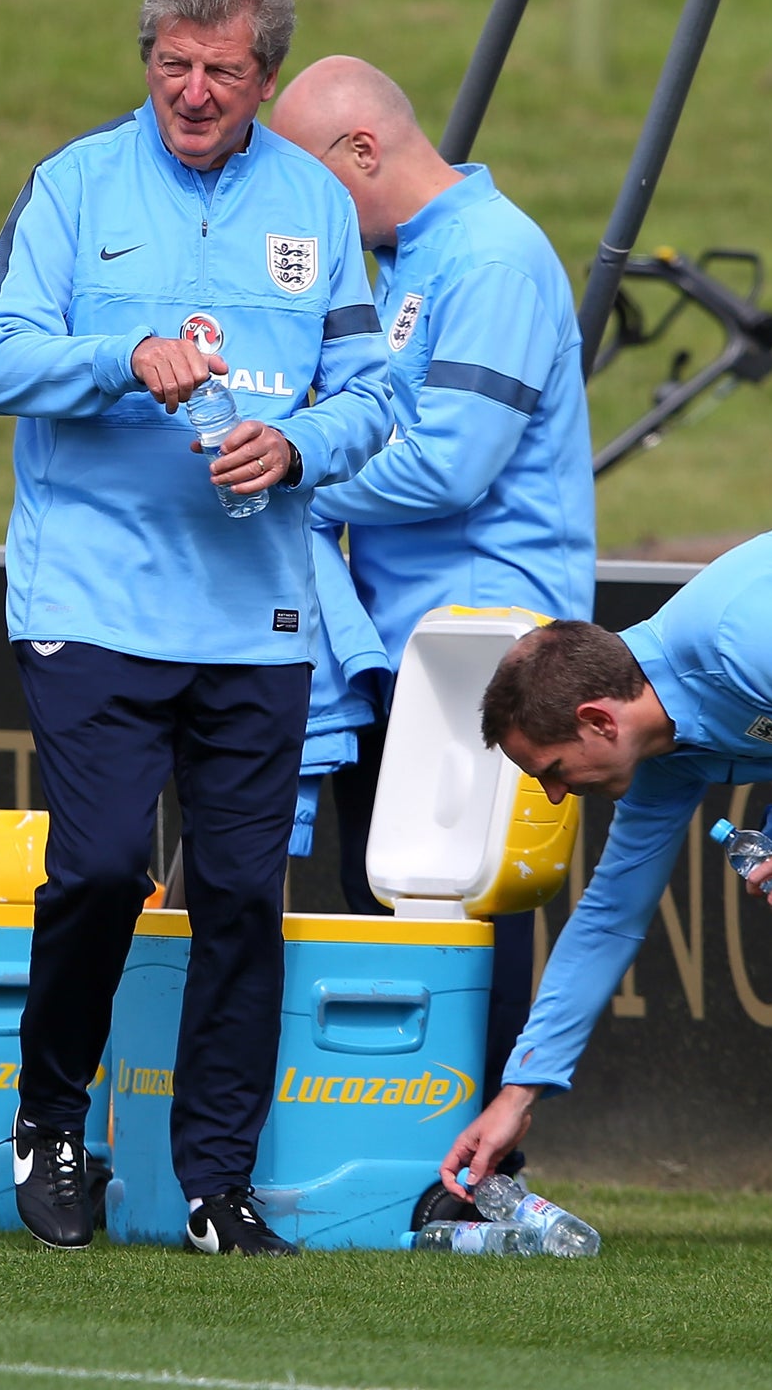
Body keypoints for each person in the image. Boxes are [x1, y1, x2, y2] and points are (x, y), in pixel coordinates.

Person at [0, 0, 393, 1256]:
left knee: (245, 896)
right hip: (90, 596)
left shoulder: (318, 207)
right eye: (172, 65)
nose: (194, 91)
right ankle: (49, 1123)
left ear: (266, 76)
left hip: (259, 614)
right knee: (96, 866)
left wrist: (303, 446)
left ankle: (216, 1182)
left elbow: (377, 398)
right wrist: (118, 360)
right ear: (146, 62)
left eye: (222, 70)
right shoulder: (74, 185)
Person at [268, 56, 595, 1111]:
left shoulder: (490, 259)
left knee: (457, 902)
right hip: (408, 642)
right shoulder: (408, 259)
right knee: (397, 894)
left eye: (304, 182)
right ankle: (410, 1144)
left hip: (491, 644)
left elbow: (452, 463)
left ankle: (465, 1164)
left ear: (359, 153)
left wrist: (298, 480)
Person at [442, 532, 772, 1197]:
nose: (554, 794)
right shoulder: (660, 751)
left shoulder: (745, 639)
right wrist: (517, 1094)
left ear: (599, 721)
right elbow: (608, 919)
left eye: (551, 770)